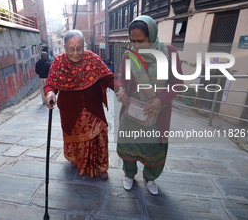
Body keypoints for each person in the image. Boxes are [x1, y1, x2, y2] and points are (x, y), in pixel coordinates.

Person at [44, 29, 126, 179]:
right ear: (65, 48)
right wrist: (50, 93)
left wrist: (119, 88)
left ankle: (101, 167)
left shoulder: (92, 59)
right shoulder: (58, 62)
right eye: (71, 49)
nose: (76, 53)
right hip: (71, 111)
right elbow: (51, 83)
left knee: (99, 137)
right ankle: (76, 160)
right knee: (77, 140)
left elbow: (107, 77)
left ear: (84, 46)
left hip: (93, 109)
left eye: (79, 48)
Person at [117, 15, 183, 195]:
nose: (137, 45)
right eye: (133, 40)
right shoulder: (129, 56)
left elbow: (177, 82)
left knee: (154, 147)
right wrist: (121, 89)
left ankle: (150, 177)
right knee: (129, 145)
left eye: (141, 41)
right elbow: (121, 79)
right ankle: (129, 174)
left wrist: (160, 100)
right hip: (132, 112)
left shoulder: (169, 53)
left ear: (152, 36)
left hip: (156, 113)